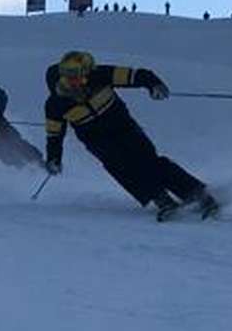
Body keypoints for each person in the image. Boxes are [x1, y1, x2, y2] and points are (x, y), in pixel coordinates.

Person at [42, 50, 220, 220]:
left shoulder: (100, 75)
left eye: (82, 75)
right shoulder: (55, 105)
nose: (78, 81)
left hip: (124, 128)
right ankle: (160, 199)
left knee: (148, 161)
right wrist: (54, 159)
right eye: (72, 77)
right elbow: (54, 135)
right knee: (122, 169)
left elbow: (137, 75)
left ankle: (197, 194)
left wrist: (154, 84)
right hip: (97, 142)